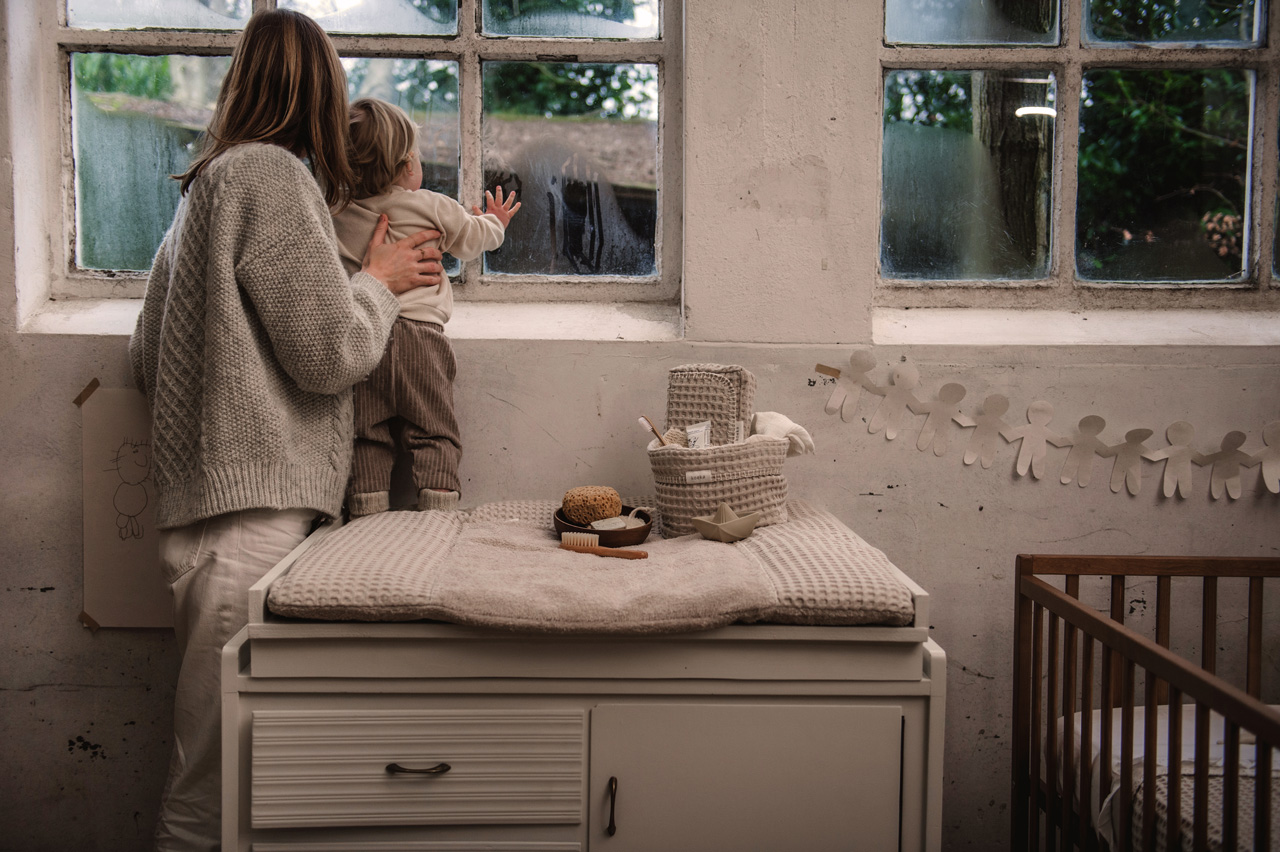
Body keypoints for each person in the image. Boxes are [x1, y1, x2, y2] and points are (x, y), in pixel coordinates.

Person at [127, 10, 443, 851]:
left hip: (204, 528)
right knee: (214, 798)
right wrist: (375, 280)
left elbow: (142, 356)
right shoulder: (273, 178)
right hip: (255, 528)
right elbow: (331, 353)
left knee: (216, 785)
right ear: (320, 91)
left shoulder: (206, 186)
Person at [331, 98, 520, 515]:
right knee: (434, 429)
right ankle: (438, 511)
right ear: (405, 166)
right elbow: (472, 241)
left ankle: (365, 513)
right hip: (421, 339)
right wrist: (495, 222)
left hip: (368, 336)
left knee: (366, 433)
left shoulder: (336, 213)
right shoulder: (431, 206)